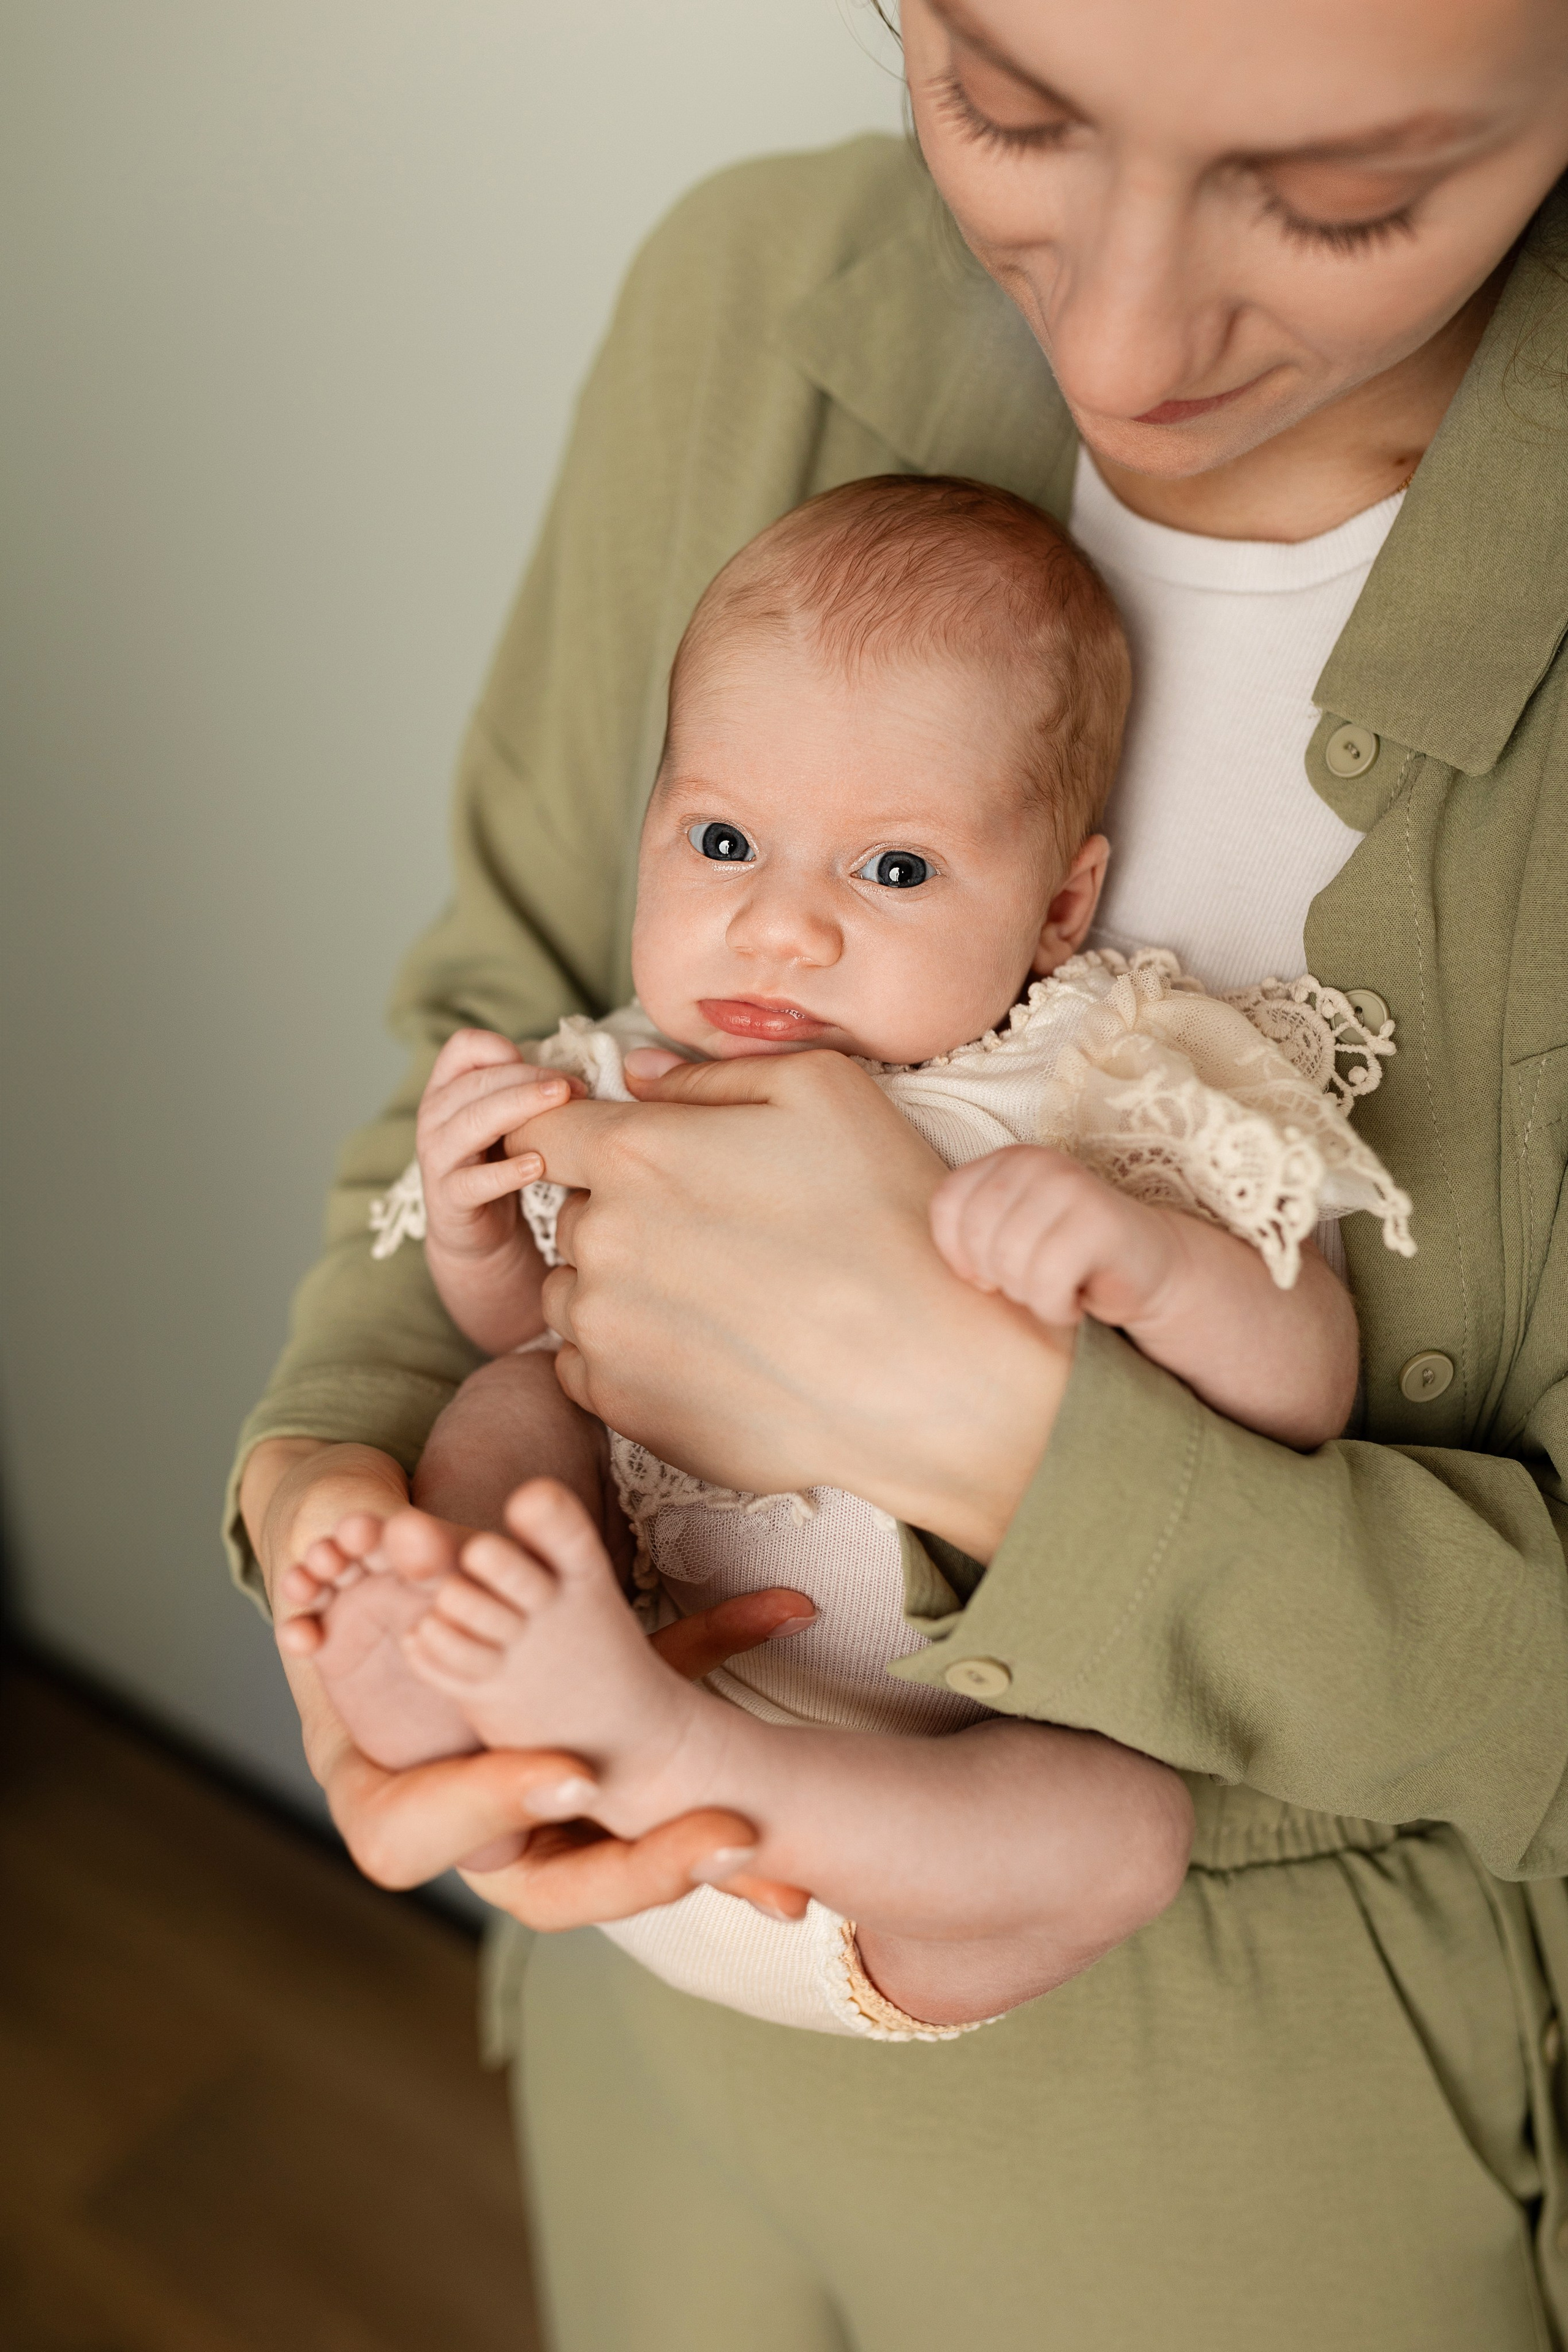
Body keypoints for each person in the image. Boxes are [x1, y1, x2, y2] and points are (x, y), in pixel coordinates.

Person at [232, 1, 1568, 2343]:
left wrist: (997, 1425)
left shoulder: (1140, 1085)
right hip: (662, 2022)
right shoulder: (748, 309)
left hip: (1246, 2151)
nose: (1128, 337)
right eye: (1004, 102)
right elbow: (476, 1072)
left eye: (1348, 192)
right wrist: (339, 1525)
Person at [277, 473, 1411, 2040]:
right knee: (516, 1403)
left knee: (1125, 1833)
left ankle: (682, 1754)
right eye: (724, 840)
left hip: (886, 1837)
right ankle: (435, 1671)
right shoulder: (623, 1078)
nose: (776, 929)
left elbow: (1307, 1387)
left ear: (1056, 909)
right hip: (587, 1742)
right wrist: (476, 1223)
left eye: (889, 871)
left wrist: (1145, 1263)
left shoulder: (1093, 1093)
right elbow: (521, 1323)